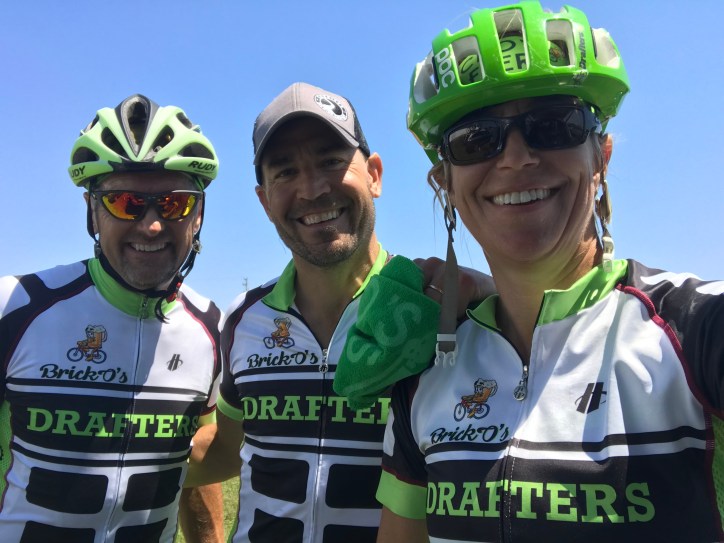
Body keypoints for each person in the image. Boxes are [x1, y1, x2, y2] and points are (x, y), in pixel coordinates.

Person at [358, 1, 724, 542]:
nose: (516, 157)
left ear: (600, 157)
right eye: (476, 139)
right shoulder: (427, 371)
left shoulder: (694, 330)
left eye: (553, 125)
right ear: (445, 184)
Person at [185, 82, 494, 543]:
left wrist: (494, 294)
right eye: (285, 172)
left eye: (331, 161)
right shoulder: (243, 319)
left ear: (375, 175)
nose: (312, 189)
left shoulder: (439, 309)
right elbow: (226, 448)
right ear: (264, 201)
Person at [0, 94, 224, 543]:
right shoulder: (16, 307)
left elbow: (194, 466)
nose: (151, 225)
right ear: (93, 211)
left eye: (174, 204)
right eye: (125, 202)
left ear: (198, 215)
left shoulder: (213, 328)